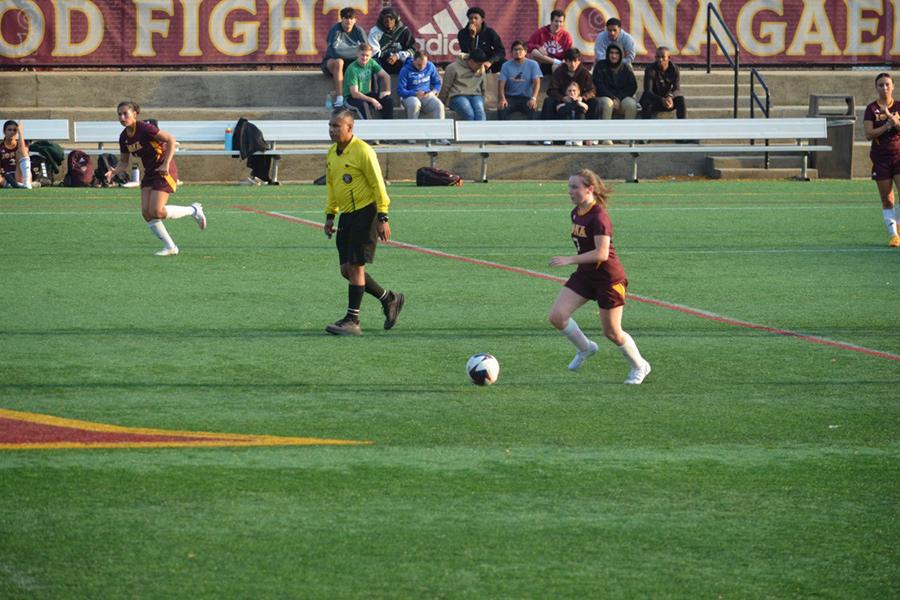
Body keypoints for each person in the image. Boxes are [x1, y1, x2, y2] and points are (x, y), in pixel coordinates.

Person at [548, 169, 651, 384]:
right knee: (557, 316)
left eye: (575, 187)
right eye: (569, 187)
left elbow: (602, 254)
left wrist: (569, 259)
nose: (570, 191)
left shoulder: (599, 217)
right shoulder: (576, 212)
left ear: (590, 189)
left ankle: (640, 366)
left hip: (608, 280)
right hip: (586, 275)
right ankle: (586, 348)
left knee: (612, 332)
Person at [323, 108, 405, 336]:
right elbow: (332, 186)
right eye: (330, 126)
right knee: (346, 270)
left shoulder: (363, 151)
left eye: (336, 126)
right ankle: (389, 299)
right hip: (347, 215)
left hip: (366, 213)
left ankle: (352, 320)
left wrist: (383, 216)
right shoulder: (331, 153)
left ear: (350, 128)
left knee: (357, 267)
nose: (332, 130)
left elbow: (378, 184)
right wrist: (330, 215)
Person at [105, 101, 205, 256]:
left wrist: (166, 163)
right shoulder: (124, 137)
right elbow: (124, 162)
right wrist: (114, 171)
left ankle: (193, 210)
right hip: (150, 172)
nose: (122, 117)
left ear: (135, 114)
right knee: (146, 212)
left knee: (157, 211)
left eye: (125, 113)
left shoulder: (145, 128)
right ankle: (170, 247)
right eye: (119, 114)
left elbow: (171, 139)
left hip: (164, 170)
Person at [863, 72, 900, 247]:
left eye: (887, 84)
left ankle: (898, 227)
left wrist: (896, 122)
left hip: (899, 156)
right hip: (880, 158)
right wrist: (887, 125)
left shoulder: (899, 106)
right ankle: (893, 236)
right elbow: (868, 134)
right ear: (876, 87)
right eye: (880, 85)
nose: (884, 88)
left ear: (893, 86)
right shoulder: (871, 109)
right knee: (887, 199)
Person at [592, 42, 638, 143]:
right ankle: (606, 137)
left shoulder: (626, 67)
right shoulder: (600, 66)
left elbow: (632, 86)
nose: (614, 56)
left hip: (621, 99)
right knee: (607, 102)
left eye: (617, 53)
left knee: (631, 104)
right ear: (607, 54)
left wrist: (619, 98)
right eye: (611, 53)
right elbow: (599, 85)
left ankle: (626, 137)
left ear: (621, 54)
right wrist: (612, 97)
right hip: (604, 99)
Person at [322, 7, 367, 108]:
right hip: (331, 63)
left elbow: (366, 51)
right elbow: (335, 52)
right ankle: (339, 98)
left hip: (350, 63)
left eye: (351, 18)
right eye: (346, 18)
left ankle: (365, 95)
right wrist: (356, 52)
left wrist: (358, 55)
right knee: (339, 62)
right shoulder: (335, 30)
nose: (348, 21)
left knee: (367, 61)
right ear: (341, 19)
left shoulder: (359, 31)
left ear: (355, 20)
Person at [541, 48, 599, 122]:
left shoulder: (584, 72)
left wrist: (582, 98)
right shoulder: (559, 71)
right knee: (548, 101)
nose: (573, 64)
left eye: (575, 61)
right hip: (562, 100)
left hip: (580, 101)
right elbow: (551, 90)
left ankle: (594, 129)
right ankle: (547, 129)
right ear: (566, 61)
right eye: (570, 61)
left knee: (595, 102)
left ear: (579, 61)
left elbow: (592, 90)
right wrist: (563, 98)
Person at [343, 44, 393, 120]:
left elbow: (386, 76)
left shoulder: (371, 62)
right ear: (357, 54)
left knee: (388, 100)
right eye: (362, 55)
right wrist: (372, 100)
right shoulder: (352, 69)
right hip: (350, 98)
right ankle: (369, 128)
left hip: (366, 94)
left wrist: (388, 91)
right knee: (364, 105)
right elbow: (355, 94)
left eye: (367, 55)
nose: (365, 58)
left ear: (371, 55)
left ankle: (387, 125)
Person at [497, 40, 542, 121]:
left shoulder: (533, 64)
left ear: (525, 52)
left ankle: (533, 133)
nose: (517, 52)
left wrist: (533, 98)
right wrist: (502, 99)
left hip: (527, 98)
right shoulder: (505, 65)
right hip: (510, 98)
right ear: (511, 52)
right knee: (501, 108)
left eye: (520, 49)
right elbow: (501, 84)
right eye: (515, 49)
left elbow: (537, 82)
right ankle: (503, 133)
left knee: (533, 108)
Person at [439, 49, 487, 121]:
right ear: (471, 61)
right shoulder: (452, 68)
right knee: (469, 114)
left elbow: (483, 86)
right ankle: (468, 132)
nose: (480, 67)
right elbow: (446, 87)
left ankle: (480, 132)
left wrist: (483, 98)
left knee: (480, 114)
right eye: (478, 65)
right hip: (457, 96)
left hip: (476, 95)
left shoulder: (481, 68)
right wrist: (441, 102)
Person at [640, 47, 686, 120]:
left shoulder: (674, 69)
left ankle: (683, 125)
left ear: (669, 58)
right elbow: (648, 91)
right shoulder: (650, 69)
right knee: (646, 100)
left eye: (663, 57)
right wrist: (662, 100)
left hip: (668, 100)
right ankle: (646, 127)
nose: (660, 59)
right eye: (657, 57)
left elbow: (677, 89)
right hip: (655, 99)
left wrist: (670, 97)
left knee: (680, 100)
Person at [397, 50, 445, 120]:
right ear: (414, 60)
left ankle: (440, 129)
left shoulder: (430, 66)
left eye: (424, 64)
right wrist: (415, 93)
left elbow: (437, 82)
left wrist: (434, 92)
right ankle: (413, 129)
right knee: (414, 104)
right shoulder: (405, 70)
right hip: (410, 96)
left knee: (439, 105)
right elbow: (400, 91)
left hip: (426, 95)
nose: (422, 67)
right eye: (419, 65)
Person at [367, 7, 415, 75]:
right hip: (382, 62)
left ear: (396, 19)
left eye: (391, 19)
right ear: (381, 20)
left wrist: (397, 56)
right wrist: (389, 56)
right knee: (373, 61)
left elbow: (413, 50)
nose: (389, 21)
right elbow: (374, 53)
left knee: (412, 60)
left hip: (400, 62)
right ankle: (377, 84)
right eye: (385, 20)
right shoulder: (374, 32)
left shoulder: (404, 31)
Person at [457, 7, 505, 74]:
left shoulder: (489, 32)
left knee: (504, 63)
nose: (473, 20)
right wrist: (472, 37)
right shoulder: (462, 33)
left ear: (482, 20)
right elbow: (466, 51)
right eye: (471, 18)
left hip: (487, 62)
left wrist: (490, 61)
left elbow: (501, 51)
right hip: (471, 63)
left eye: (476, 18)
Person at [527, 9, 573, 75]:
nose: (558, 24)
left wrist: (564, 60)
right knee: (534, 52)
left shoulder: (566, 36)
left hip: (558, 64)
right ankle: (535, 83)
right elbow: (528, 45)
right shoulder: (541, 32)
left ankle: (555, 85)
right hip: (543, 61)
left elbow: (569, 53)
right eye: (556, 21)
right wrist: (538, 47)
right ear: (551, 21)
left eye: (561, 22)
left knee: (556, 66)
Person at [1, 120, 34, 189]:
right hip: (7, 177)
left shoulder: (22, 144)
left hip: (20, 174)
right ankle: (16, 185)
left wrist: (20, 132)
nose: (12, 132)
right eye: (9, 130)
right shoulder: (1, 147)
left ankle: (27, 183)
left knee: (21, 151)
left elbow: (24, 152)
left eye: (14, 130)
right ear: (4, 132)